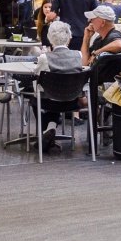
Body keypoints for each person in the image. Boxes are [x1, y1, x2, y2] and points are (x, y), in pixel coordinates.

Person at [32, 20, 83, 148]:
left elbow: (37, 76)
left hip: (49, 101)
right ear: (69, 38)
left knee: (37, 96)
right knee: (56, 91)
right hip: (72, 101)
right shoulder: (79, 55)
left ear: (50, 38)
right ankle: (50, 127)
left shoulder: (44, 57)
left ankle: (46, 131)